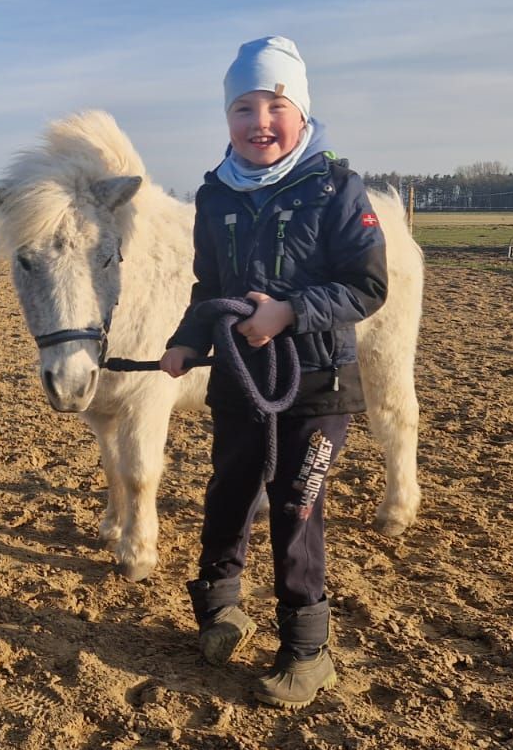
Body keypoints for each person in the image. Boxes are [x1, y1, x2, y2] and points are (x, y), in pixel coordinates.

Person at [159, 36, 387, 709]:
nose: (260, 121)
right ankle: (221, 608)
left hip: (317, 383)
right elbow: (210, 285)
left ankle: (308, 648)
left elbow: (367, 287)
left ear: (300, 111)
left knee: (296, 504)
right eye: (243, 107)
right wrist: (184, 342)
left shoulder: (336, 188)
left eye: (274, 104)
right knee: (228, 489)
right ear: (226, 118)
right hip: (238, 377)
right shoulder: (215, 195)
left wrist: (290, 312)